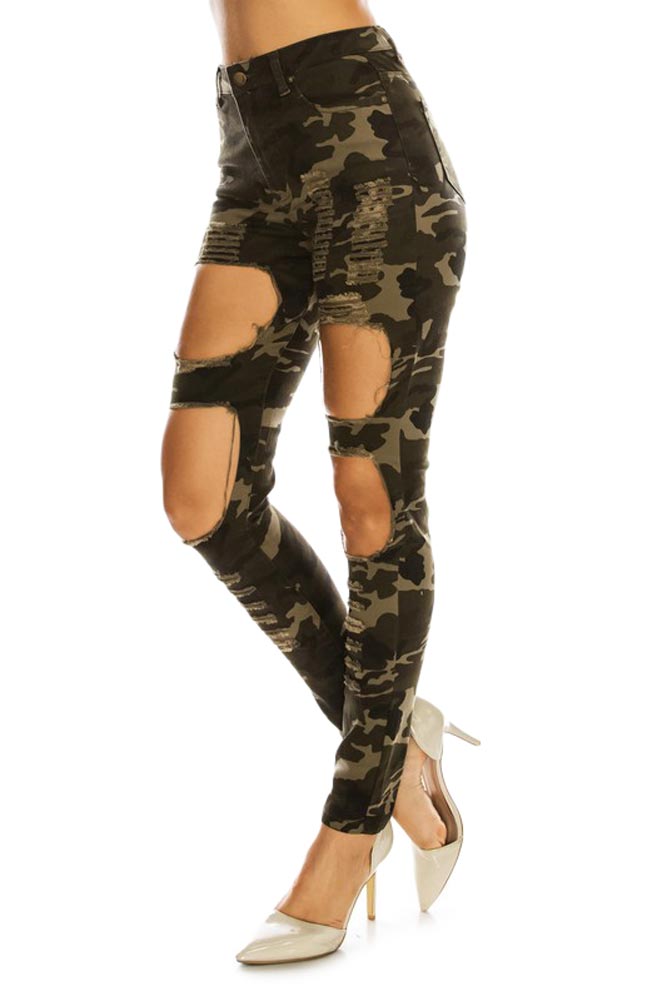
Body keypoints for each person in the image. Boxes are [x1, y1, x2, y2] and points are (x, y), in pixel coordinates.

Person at [160, 0, 477, 964]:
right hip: (253, 147)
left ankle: (350, 829)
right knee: (202, 498)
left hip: (366, 139)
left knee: (371, 497)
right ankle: (394, 744)